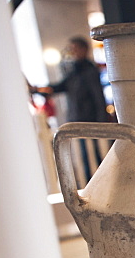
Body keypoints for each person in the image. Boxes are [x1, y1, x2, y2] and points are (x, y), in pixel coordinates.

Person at [31, 36, 109, 178]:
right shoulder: (73, 72)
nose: (72, 52)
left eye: (75, 49)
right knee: (85, 156)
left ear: (83, 49)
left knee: (94, 155)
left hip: (90, 121)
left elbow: (98, 97)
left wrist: (102, 120)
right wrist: (37, 90)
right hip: (78, 120)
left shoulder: (89, 71)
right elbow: (58, 87)